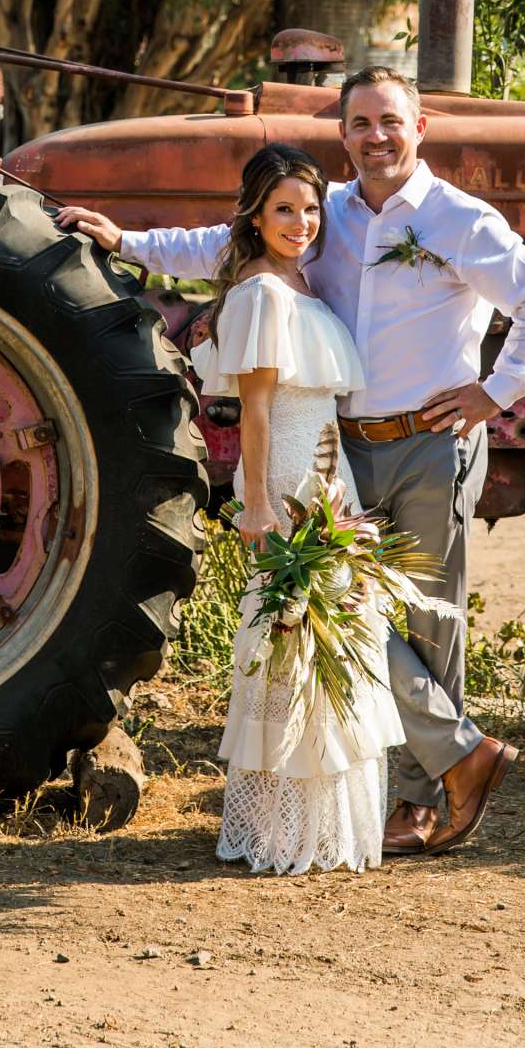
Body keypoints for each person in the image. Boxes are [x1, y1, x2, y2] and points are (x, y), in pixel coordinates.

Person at [59, 66, 525, 856]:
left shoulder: (459, 219)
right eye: (361, 123)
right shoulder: (323, 213)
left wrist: (494, 394)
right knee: (356, 619)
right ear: (343, 135)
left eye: (391, 121)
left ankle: (426, 801)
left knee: (431, 622)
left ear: (420, 126)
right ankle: (461, 756)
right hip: (343, 449)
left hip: (432, 443)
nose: (377, 137)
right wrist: (127, 241)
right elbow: (226, 245)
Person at [189, 143, 404, 872]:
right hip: (283, 473)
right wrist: (255, 503)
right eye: (285, 208)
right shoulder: (260, 295)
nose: (302, 221)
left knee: (334, 639)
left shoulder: (302, 282)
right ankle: (280, 827)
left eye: (311, 208)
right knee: (288, 642)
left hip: (328, 471)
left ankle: (318, 827)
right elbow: (252, 410)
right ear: (255, 213)